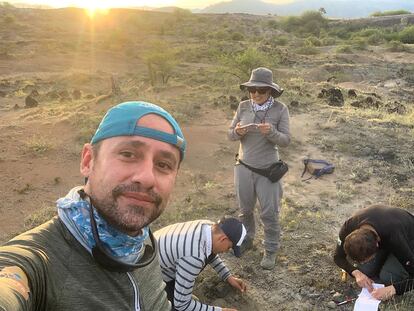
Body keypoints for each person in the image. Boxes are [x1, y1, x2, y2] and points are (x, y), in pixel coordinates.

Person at [0, 101, 187, 310]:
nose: (146, 178)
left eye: (164, 165)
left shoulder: (143, 246)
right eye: (128, 154)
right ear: (88, 161)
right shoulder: (40, 262)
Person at [227, 67, 291, 270]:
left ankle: (271, 250)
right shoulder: (243, 106)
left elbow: (286, 140)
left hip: (268, 171)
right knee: (245, 211)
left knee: (269, 213)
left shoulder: (280, 110)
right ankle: (248, 239)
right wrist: (237, 132)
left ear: (270, 91)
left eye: (261, 90)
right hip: (243, 167)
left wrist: (271, 132)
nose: (256, 94)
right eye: (252, 90)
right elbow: (230, 134)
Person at [154, 217, 247, 311]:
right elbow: (181, 305)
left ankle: (178, 292)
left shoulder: (208, 226)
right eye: (229, 247)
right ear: (223, 239)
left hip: (159, 262)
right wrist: (221, 310)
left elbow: (210, 252)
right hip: (148, 280)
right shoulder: (194, 256)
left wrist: (228, 276)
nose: (226, 251)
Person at [334, 204, 414, 300]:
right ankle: (385, 259)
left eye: (364, 259)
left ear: (377, 245)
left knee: (387, 278)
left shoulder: (396, 238)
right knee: (364, 270)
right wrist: (356, 273)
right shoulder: (348, 227)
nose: (362, 262)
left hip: (409, 240)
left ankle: (391, 260)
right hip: (386, 234)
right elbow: (337, 257)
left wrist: (393, 289)